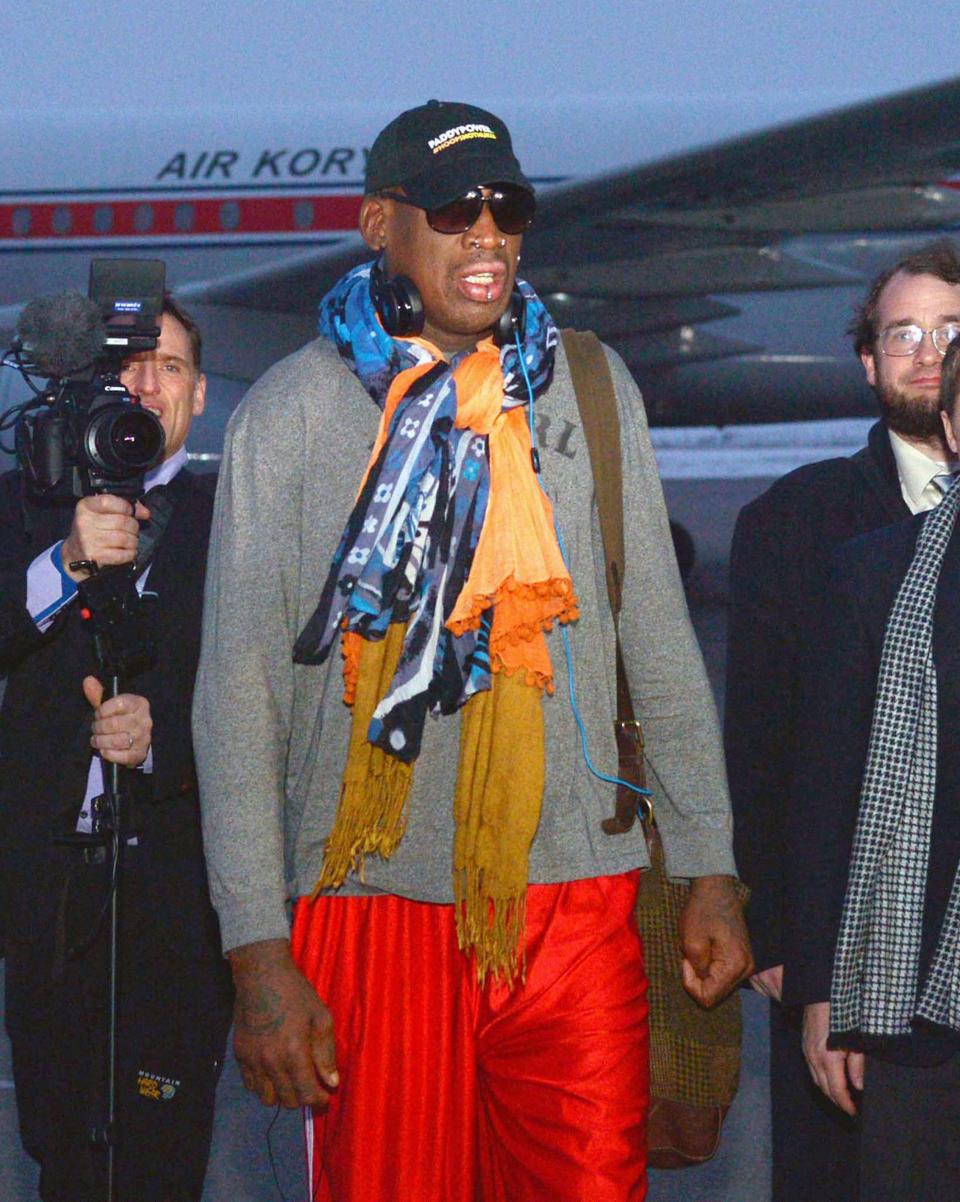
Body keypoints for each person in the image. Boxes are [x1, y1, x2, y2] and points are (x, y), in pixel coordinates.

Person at [194, 99, 750, 1202]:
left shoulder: (589, 390)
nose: (487, 233)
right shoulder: (293, 415)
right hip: (368, 898)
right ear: (379, 225)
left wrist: (710, 861)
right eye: (454, 209)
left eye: (509, 207)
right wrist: (258, 950)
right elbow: (237, 695)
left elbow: (659, 643)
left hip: (576, 895)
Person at [724, 238, 960, 1201]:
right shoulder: (799, 521)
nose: (928, 351)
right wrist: (786, 947)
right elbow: (770, 751)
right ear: (867, 361)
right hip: (855, 947)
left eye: (951, 330)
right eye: (902, 332)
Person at [0, 296, 233, 1202]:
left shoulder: (234, 518)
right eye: (129, 365)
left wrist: (161, 738)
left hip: (178, 898)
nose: (147, 383)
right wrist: (61, 564)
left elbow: (265, 692)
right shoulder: (26, 502)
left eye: (169, 366)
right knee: (59, 1148)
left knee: (165, 1151)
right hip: (51, 900)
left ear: (199, 395)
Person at [787, 335, 960, 1201]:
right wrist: (825, 991)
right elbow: (827, 794)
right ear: (953, 429)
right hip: (914, 1012)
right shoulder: (875, 575)